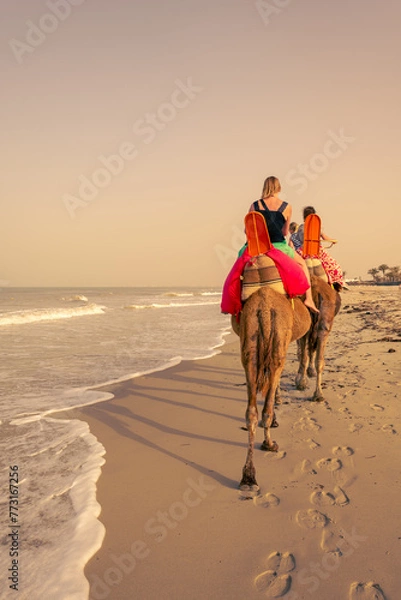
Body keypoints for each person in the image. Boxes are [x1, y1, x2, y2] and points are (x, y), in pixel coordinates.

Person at [248, 176, 319, 313]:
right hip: (278, 247)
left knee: (239, 267)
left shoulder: (254, 205)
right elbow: (285, 232)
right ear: (279, 188)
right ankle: (308, 299)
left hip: (258, 247)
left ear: (264, 187)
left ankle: (236, 305)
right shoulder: (286, 207)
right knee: (302, 264)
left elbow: (248, 230)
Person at [293, 206, 344, 290]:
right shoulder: (317, 227)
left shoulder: (300, 228)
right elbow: (325, 238)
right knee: (335, 267)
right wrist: (333, 240)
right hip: (317, 251)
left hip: (304, 251)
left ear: (304, 216)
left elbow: (299, 240)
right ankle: (335, 285)